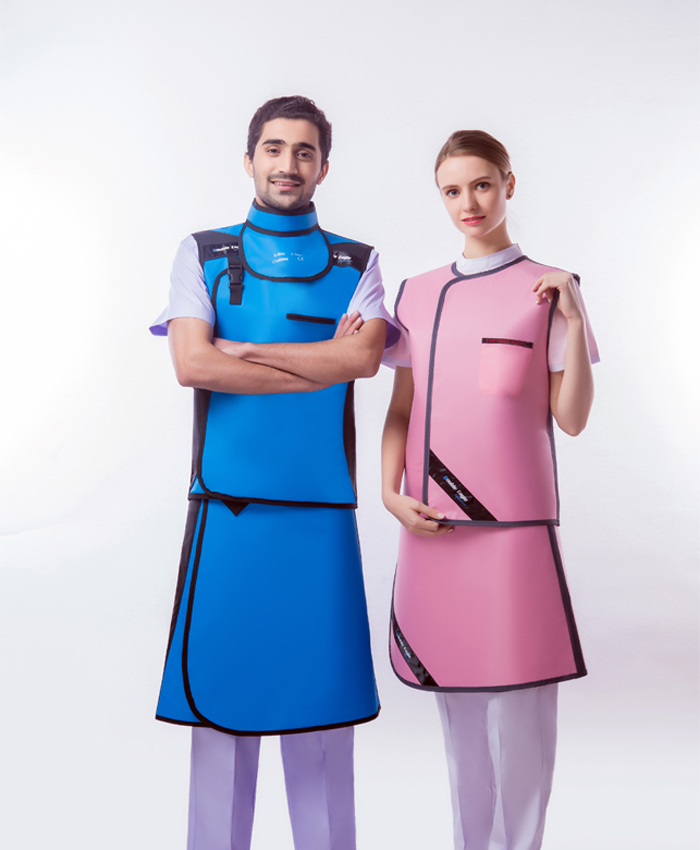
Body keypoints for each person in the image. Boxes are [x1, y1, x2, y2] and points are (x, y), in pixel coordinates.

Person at [150, 95, 395, 850]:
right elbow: (193, 364)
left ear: (324, 166)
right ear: (249, 157)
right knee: (220, 710)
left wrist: (246, 352)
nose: (288, 164)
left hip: (320, 517)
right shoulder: (203, 252)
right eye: (275, 148)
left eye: (304, 151)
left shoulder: (359, 262)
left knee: (321, 717)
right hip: (226, 515)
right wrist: (321, 361)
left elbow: (364, 360)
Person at [381, 130, 599, 850]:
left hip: (513, 536)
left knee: (521, 714)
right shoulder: (415, 294)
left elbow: (571, 419)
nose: (467, 203)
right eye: (452, 190)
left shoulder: (549, 289)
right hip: (432, 530)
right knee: (459, 720)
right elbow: (402, 411)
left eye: (481, 184)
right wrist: (389, 493)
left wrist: (573, 318)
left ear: (509, 183)